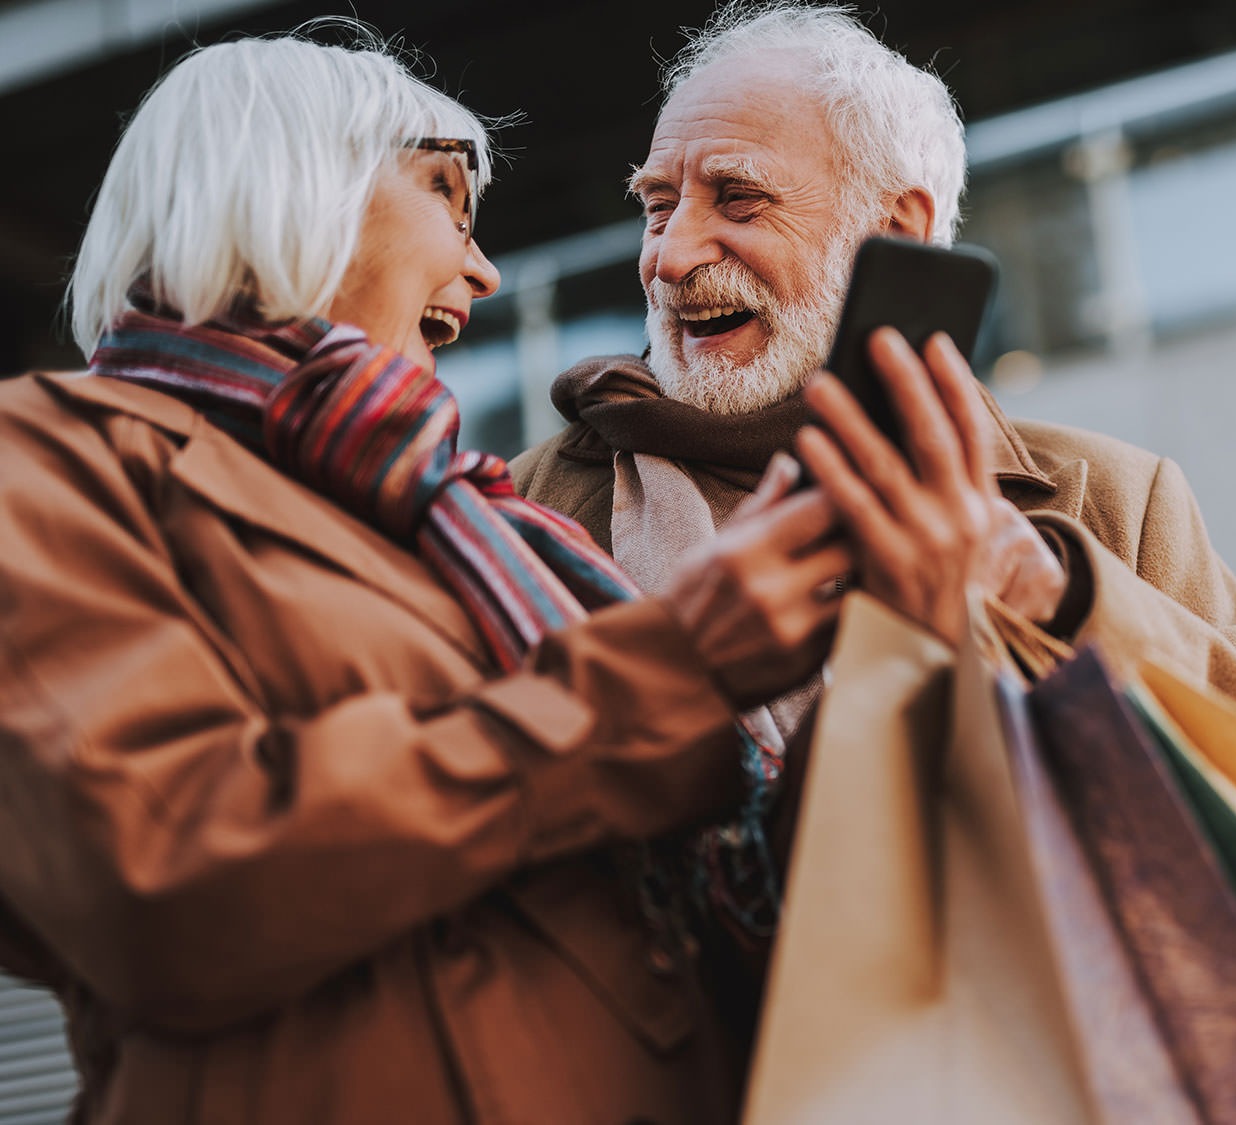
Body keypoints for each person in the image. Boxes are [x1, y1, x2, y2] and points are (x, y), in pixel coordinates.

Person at [0, 25, 931, 1124]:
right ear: (303, 182)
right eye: (448, 199)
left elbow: (709, 900)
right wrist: (669, 668)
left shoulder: (485, 523)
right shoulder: (47, 463)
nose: (482, 271)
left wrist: (885, 639)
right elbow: (158, 882)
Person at [512, 1, 1236, 767]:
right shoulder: (521, 511)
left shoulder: (1117, 502)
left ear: (897, 230)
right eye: (658, 206)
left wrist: (1051, 598)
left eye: (738, 199)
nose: (670, 254)